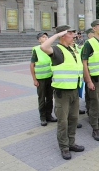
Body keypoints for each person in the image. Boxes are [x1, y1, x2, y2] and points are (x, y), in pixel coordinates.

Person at [40, 25, 84, 160]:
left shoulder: (72, 48)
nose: (74, 36)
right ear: (63, 35)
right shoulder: (57, 50)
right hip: (62, 92)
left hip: (74, 90)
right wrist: (57, 35)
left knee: (73, 118)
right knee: (63, 122)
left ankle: (71, 143)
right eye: (71, 34)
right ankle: (64, 147)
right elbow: (44, 47)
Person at [30, 32, 57, 126]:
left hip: (50, 77)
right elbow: (32, 65)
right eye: (43, 37)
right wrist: (34, 79)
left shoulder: (51, 49)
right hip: (40, 79)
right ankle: (42, 117)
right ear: (39, 40)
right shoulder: (36, 50)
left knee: (50, 98)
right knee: (41, 98)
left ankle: (49, 115)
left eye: (46, 36)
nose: (45, 38)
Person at [83, 28, 95, 116]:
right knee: (89, 95)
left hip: (95, 74)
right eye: (92, 33)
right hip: (89, 74)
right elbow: (84, 62)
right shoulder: (87, 45)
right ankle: (89, 110)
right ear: (88, 35)